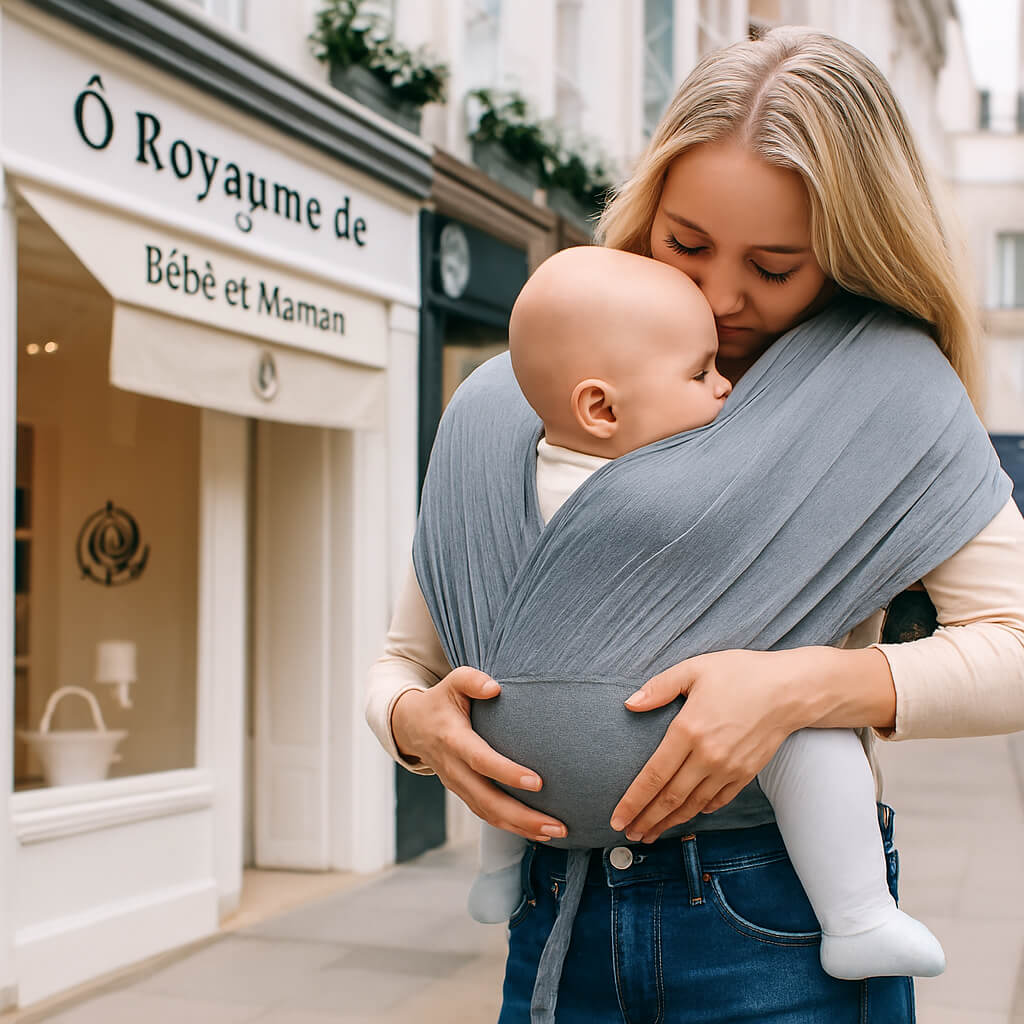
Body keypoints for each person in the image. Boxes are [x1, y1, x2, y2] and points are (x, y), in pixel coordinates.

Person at [366, 26, 1024, 1023]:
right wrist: (418, 728)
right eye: (685, 244)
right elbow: (401, 659)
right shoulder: (526, 399)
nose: (721, 299)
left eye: (774, 264)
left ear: (846, 253)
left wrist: (791, 687)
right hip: (555, 918)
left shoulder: (881, 395)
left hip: (776, 922)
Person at [465, 243, 945, 985]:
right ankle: (859, 918)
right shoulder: (690, 483)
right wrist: (406, 718)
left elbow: (441, 630)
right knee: (809, 745)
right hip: (652, 791)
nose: (724, 388)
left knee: (491, 702)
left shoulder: (505, 470)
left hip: (528, 793)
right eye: (701, 373)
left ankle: (495, 874)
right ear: (601, 405)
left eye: (774, 264)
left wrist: (423, 715)